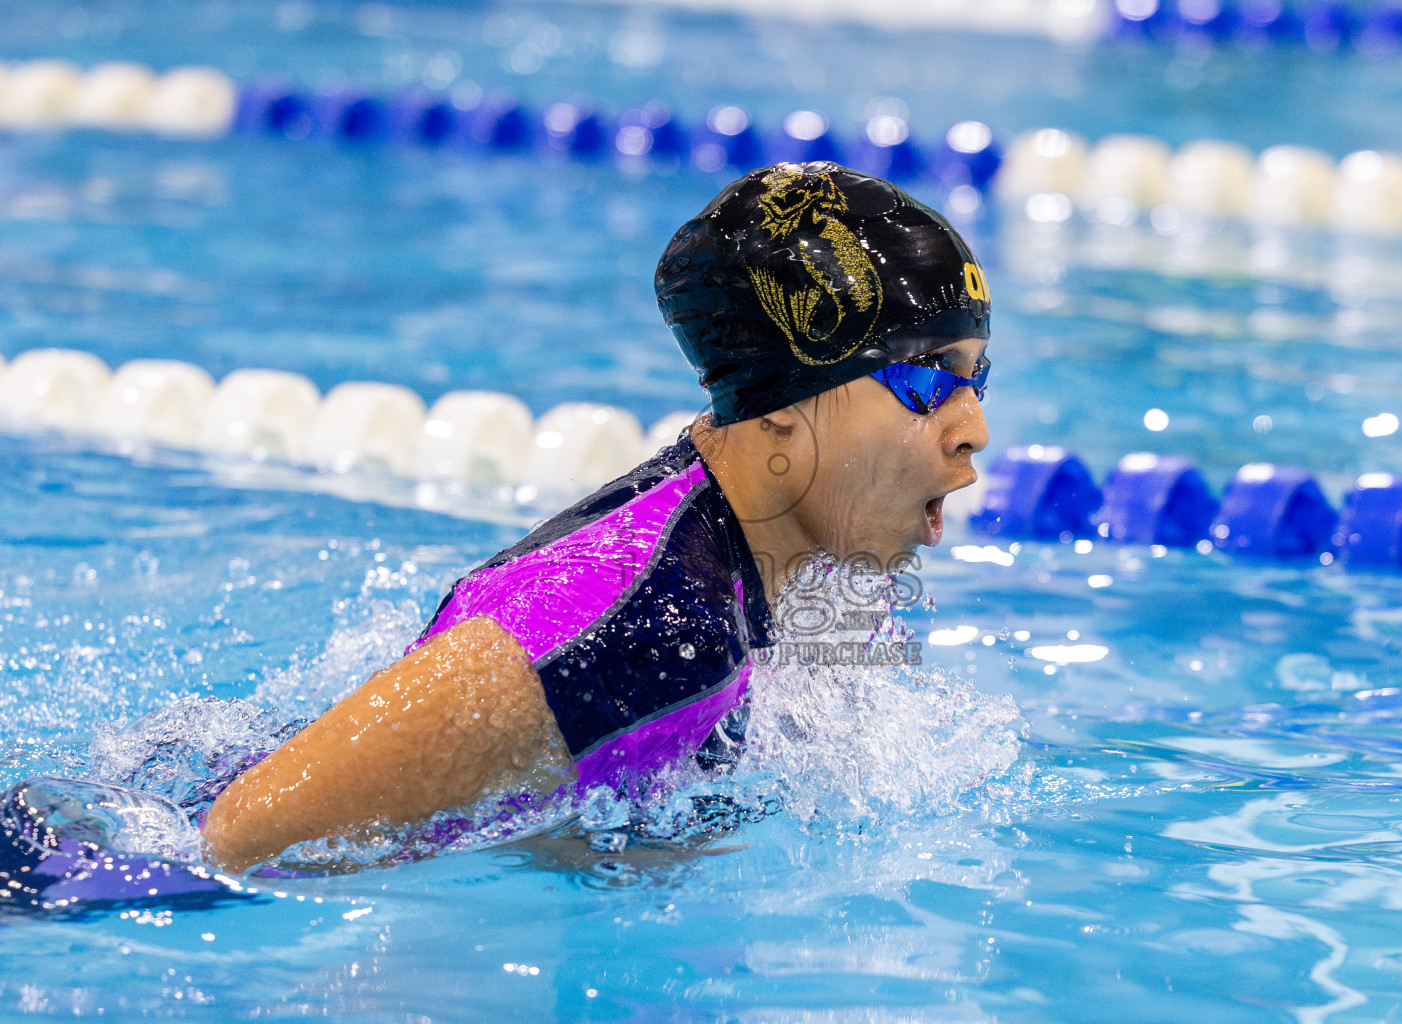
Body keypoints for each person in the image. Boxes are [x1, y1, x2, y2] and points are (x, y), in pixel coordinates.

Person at [190, 162, 992, 870]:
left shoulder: (755, 556)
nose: (974, 430)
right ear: (782, 406)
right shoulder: (648, 622)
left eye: (976, 378)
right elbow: (239, 839)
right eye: (926, 382)